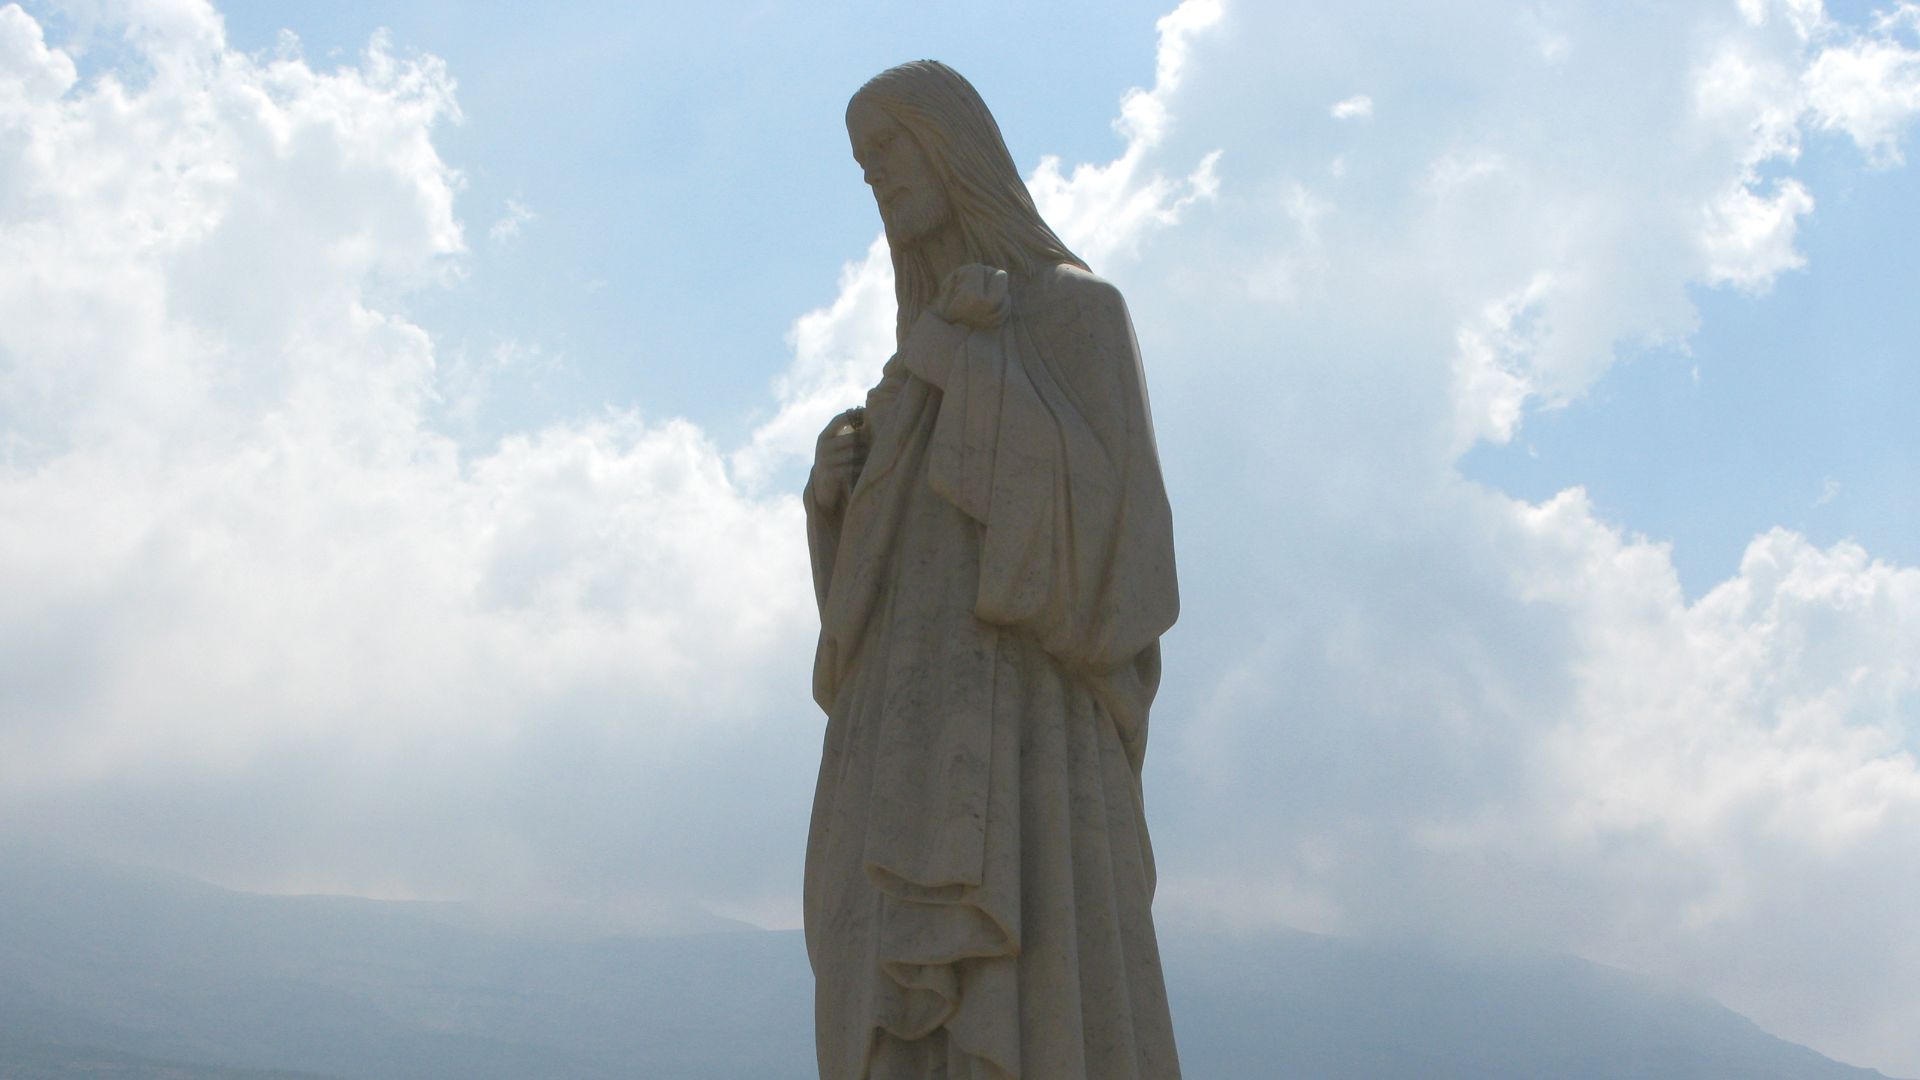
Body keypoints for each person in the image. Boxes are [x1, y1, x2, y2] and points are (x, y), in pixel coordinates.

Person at [804, 60, 1183, 1080]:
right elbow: (865, 619)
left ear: (950, 145)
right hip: (901, 745)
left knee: (1034, 1006)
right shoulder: (909, 366)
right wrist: (832, 505)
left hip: (1026, 738)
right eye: (861, 162)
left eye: (888, 149)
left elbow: (1120, 558)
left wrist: (961, 365)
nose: (875, 177)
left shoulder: (1075, 315)